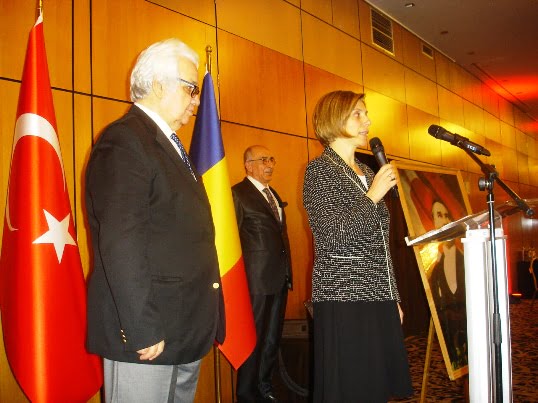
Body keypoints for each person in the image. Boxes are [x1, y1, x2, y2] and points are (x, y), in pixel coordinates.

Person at [85, 38, 224, 403]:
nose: (197, 101)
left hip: (183, 325)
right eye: (191, 89)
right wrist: (141, 326)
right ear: (160, 85)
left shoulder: (168, 145)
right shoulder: (124, 140)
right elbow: (121, 242)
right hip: (148, 334)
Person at [302, 91, 413, 402]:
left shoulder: (367, 172)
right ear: (334, 119)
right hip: (344, 297)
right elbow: (331, 236)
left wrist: (393, 296)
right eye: (358, 114)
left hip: (378, 296)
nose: (368, 121)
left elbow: (381, 245)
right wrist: (373, 196)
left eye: (366, 114)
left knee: (375, 386)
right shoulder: (320, 171)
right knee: (352, 388)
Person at [232, 145, 292, 403]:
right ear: (248, 165)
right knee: (252, 340)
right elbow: (230, 240)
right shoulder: (237, 194)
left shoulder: (273, 194)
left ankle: (264, 388)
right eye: (263, 160)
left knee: (271, 338)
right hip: (254, 282)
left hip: (279, 278)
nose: (270, 165)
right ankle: (246, 393)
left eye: (272, 159)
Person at [429, 200, 467, 369]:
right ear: (433, 222)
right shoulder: (435, 267)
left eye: (447, 215)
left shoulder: (467, 258)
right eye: (439, 215)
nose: (444, 221)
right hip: (448, 321)